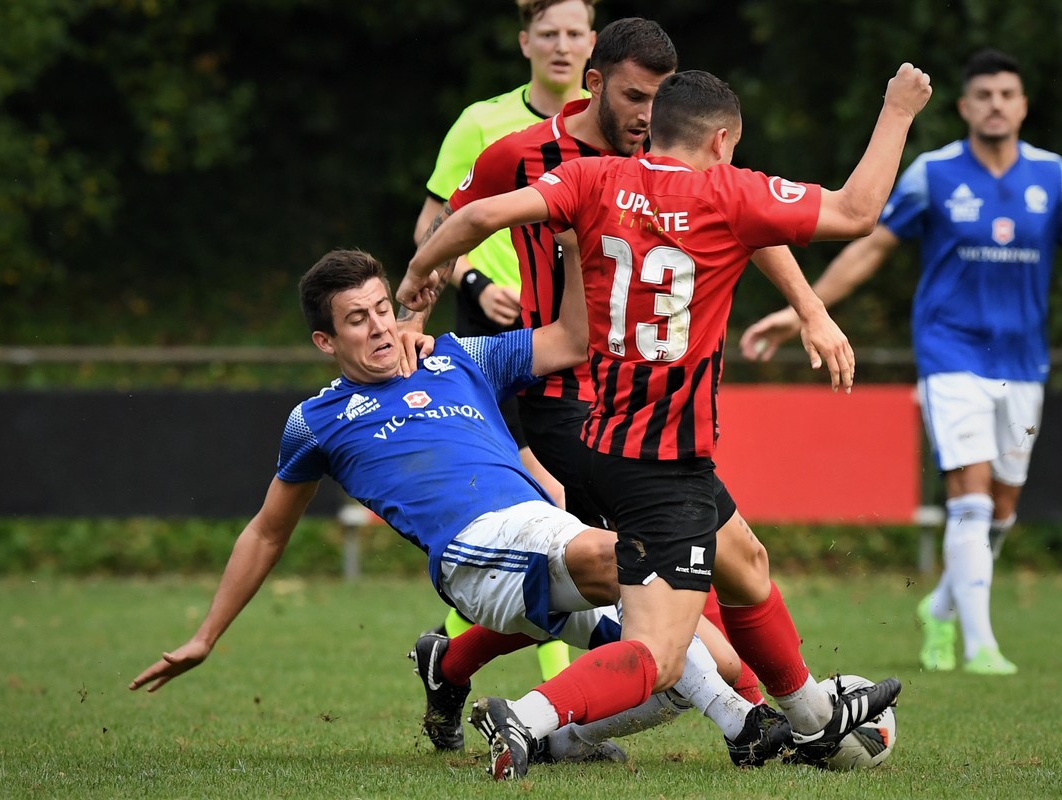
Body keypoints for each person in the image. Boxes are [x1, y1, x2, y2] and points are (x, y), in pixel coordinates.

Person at [399, 64, 933, 779]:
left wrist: (419, 276)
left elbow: (473, 218)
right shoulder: (727, 193)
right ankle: (527, 719)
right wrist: (898, 110)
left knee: (746, 566)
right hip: (662, 466)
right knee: (660, 654)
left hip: (600, 440)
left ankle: (810, 717)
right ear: (721, 142)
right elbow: (857, 211)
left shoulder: (594, 178)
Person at [128, 248, 792, 773]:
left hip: (546, 536)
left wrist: (571, 242)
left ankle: (530, 719)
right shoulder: (316, 421)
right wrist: (205, 636)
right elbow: (266, 533)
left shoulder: (455, 357)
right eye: (357, 320)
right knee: (628, 556)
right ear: (325, 341)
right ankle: (750, 724)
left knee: (695, 664)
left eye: (382, 308)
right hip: (473, 554)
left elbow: (571, 339)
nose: (379, 327)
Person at [737, 48, 1062, 676]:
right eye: (983, 95)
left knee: (1001, 508)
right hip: (950, 354)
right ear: (964, 107)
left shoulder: (1053, 176)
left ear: (1023, 105)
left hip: (1024, 362)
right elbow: (869, 249)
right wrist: (804, 310)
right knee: (970, 494)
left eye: (1007, 94)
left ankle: (941, 607)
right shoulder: (933, 173)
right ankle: (981, 646)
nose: (995, 105)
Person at [404, 16, 771, 712]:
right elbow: (452, 220)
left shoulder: (666, 155)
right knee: (677, 569)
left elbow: (748, 215)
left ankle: (451, 662)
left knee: (610, 573)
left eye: (660, 98)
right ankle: (755, 714)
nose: (650, 114)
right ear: (595, 83)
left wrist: (811, 308)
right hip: (561, 391)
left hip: (645, 397)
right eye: (636, 97)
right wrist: (416, 314)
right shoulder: (515, 149)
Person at [412, 0, 599, 684]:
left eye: (573, 32)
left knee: (567, 516)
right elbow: (434, 225)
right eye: (547, 33)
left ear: (593, 43)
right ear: (525, 42)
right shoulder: (482, 124)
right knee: (541, 505)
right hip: (495, 340)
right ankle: (555, 693)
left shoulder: (620, 124)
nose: (560, 45)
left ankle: (450, 655)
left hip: (580, 340)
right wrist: (471, 281)